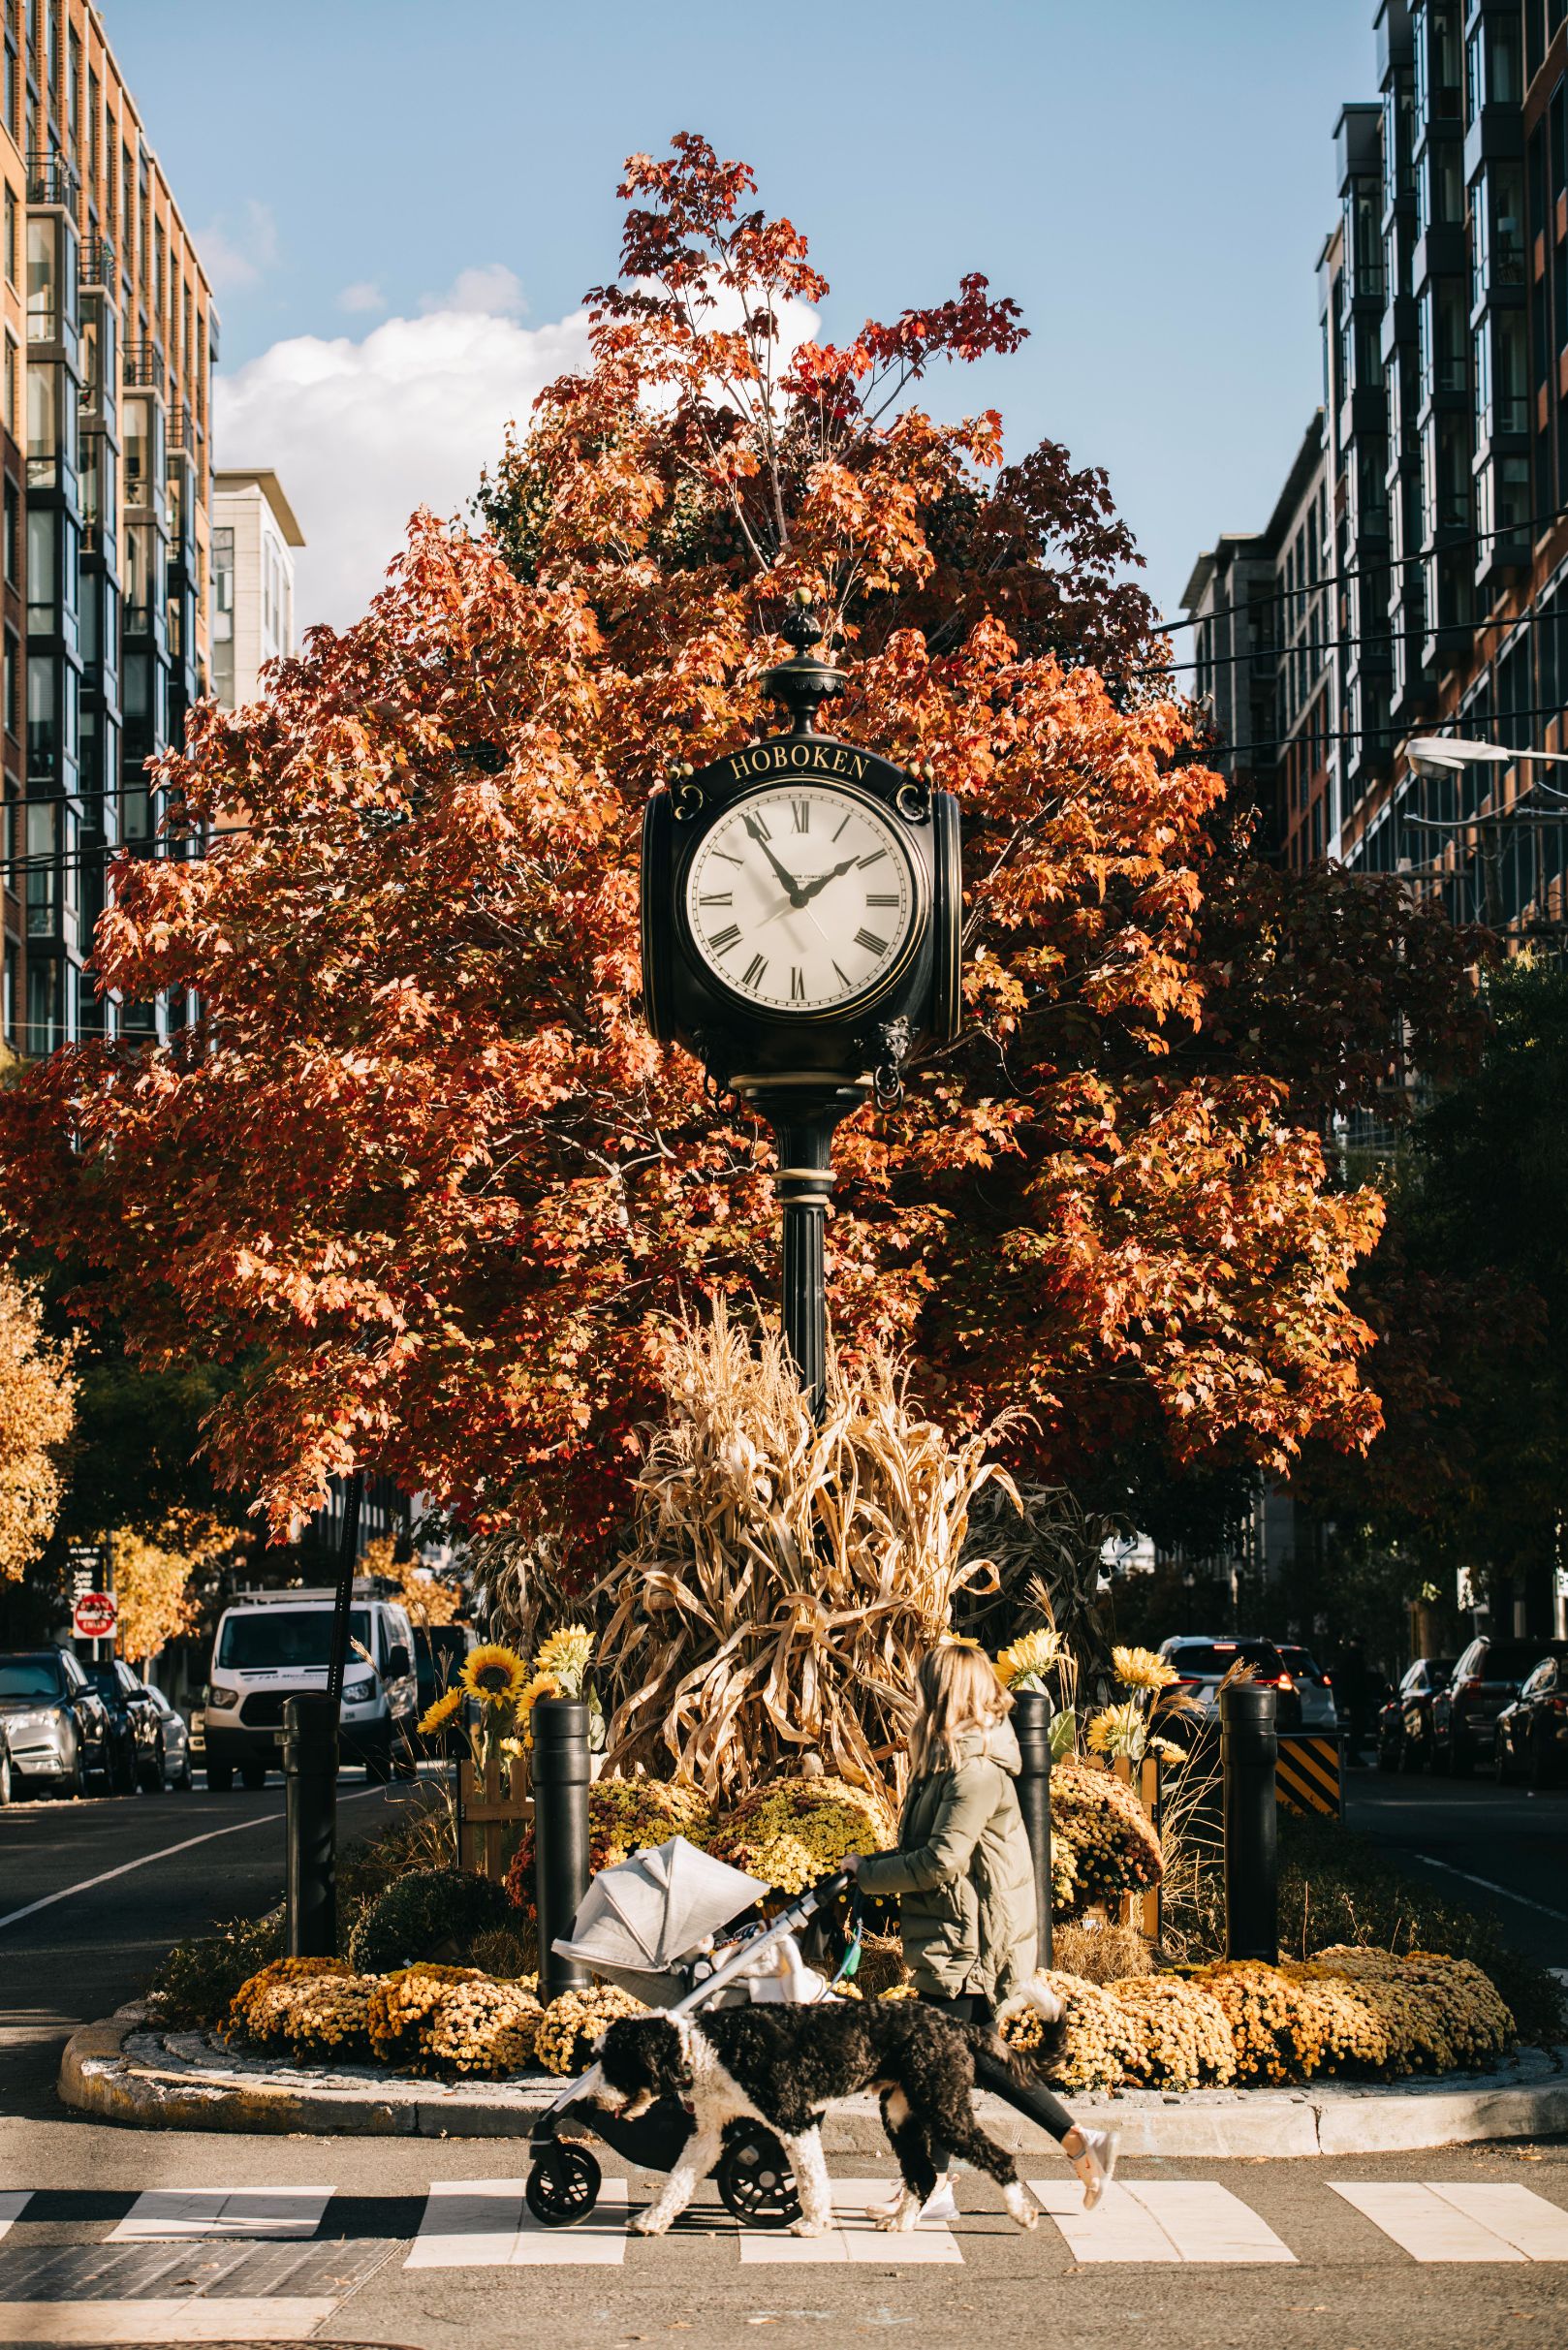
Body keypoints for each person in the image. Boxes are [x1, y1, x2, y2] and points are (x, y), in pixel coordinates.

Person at [845, 1642, 1117, 2216]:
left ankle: (938, 2185)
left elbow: (941, 1861)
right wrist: (869, 1865)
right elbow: (928, 1849)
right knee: (970, 2064)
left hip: (970, 1942)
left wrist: (868, 1875)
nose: (918, 1695)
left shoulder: (975, 1771)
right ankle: (1071, 2145)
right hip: (955, 1930)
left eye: (926, 1686)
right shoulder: (947, 1761)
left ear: (945, 1694)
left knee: (941, 2065)